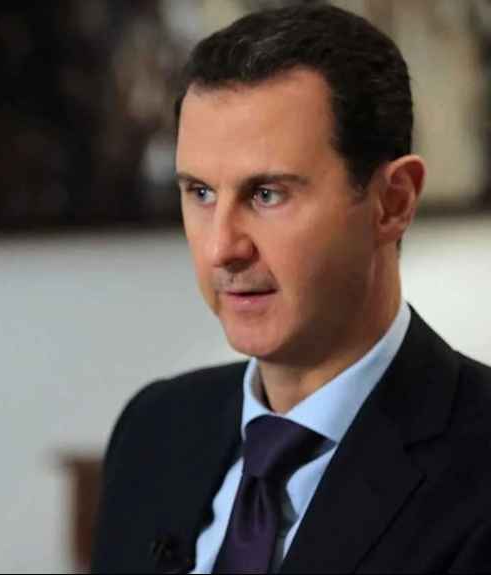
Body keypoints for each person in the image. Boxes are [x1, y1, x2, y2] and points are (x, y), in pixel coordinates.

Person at [93, 4, 491, 573]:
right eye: (200, 193)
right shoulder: (155, 429)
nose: (221, 248)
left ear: (393, 202)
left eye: (267, 195)